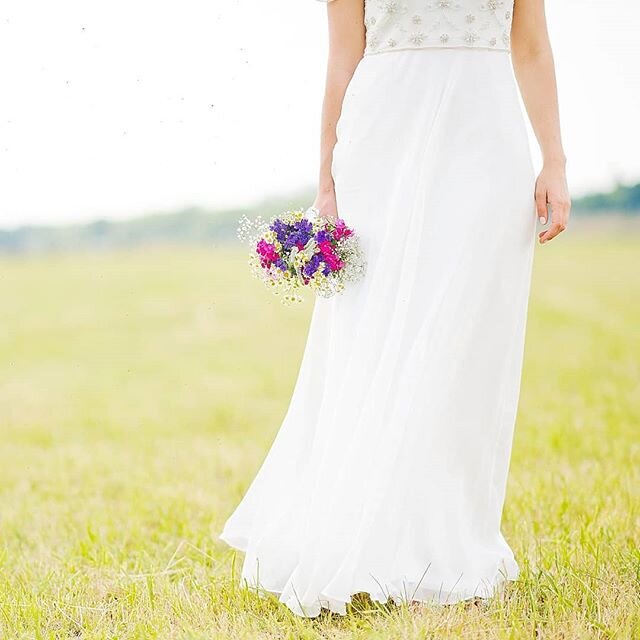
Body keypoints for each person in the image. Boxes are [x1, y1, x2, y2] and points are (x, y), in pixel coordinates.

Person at [220, 0, 571, 618]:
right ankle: (369, 531)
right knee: (376, 331)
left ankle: (450, 541)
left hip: (486, 141)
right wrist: (326, 184)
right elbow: (341, 61)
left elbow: (533, 47)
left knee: (467, 344)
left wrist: (556, 161)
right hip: (384, 143)